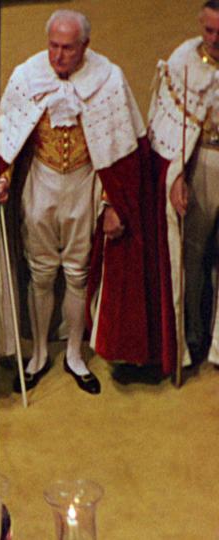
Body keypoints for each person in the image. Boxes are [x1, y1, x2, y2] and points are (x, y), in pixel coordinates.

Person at [0, 10, 166, 393]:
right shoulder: (27, 76)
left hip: (84, 187)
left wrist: (115, 203)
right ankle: (37, 355)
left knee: (78, 272)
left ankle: (74, 354)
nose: (58, 55)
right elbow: (9, 141)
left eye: (67, 48)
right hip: (41, 186)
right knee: (41, 272)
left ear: (84, 45)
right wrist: (2, 177)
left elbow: (120, 150)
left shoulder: (108, 79)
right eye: (53, 45)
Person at [147, 0, 219, 377]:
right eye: (209, 31)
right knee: (192, 255)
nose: (214, 40)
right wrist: (175, 177)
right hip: (201, 162)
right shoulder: (182, 62)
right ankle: (191, 333)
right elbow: (170, 129)